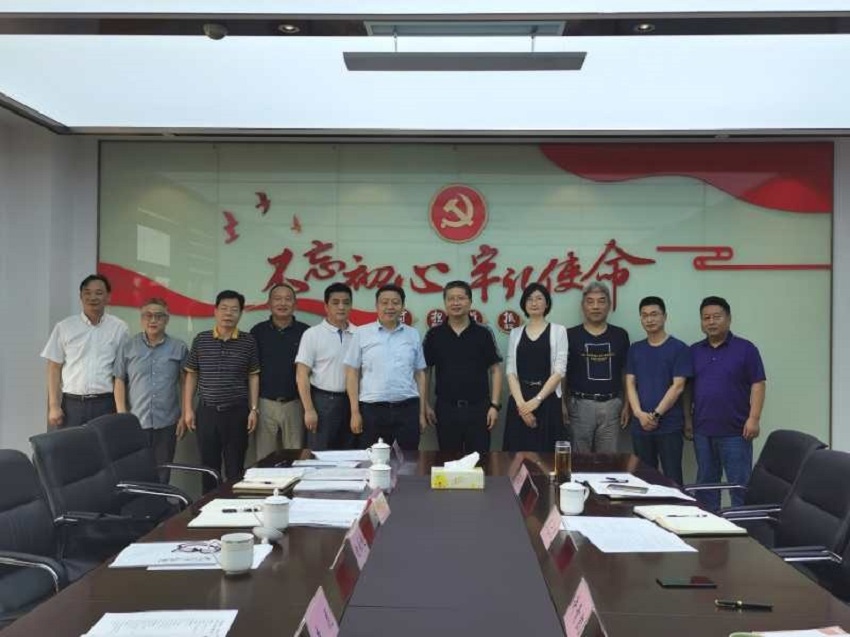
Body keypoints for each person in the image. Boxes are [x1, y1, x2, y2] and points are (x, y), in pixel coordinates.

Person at [688, 296, 766, 510]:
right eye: (706, 318)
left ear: (729, 319)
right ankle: (710, 526)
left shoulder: (746, 349)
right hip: (703, 430)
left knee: (739, 486)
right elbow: (687, 389)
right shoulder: (694, 351)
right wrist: (687, 419)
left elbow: (758, 384)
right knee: (706, 485)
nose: (711, 322)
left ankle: (743, 527)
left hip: (737, 431)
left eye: (717, 317)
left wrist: (754, 418)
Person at [183, 290, 260, 492]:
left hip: (237, 413)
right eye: (224, 308)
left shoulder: (248, 341)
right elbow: (191, 374)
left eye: (234, 309)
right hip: (207, 412)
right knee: (209, 468)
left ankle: (233, 507)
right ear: (215, 311)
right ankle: (208, 507)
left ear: (241, 313)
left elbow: (253, 376)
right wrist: (188, 409)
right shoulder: (201, 339)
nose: (228, 313)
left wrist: (254, 409)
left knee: (235, 468)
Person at [423, 281, 503, 453]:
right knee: (448, 461)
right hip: (446, 409)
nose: (456, 303)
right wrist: (425, 404)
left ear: (470, 302)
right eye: (451, 299)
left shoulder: (483, 333)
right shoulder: (434, 334)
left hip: (479, 409)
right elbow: (426, 371)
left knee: (480, 461)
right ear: (445, 303)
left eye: (461, 298)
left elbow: (495, 370)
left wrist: (495, 405)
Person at [344, 284, 428, 450]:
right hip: (372, 410)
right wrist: (355, 412)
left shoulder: (412, 334)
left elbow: (420, 374)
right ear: (376, 306)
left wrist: (421, 413)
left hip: (407, 408)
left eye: (395, 302)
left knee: (409, 459)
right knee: (373, 460)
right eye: (384, 302)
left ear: (402, 306)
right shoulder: (362, 333)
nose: (390, 307)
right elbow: (352, 372)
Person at [41, 274, 129, 428]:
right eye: (87, 293)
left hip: (106, 404)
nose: (92, 297)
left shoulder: (119, 328)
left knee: (104, 444)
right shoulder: (65, 327)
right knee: (71, 444)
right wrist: (54, 406)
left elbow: (121, 372)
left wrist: (121, 409)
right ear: (81, 297)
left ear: (108, 297)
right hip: (72, 405)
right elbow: (54, 367)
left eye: (98, 293)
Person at [113, 298, 189, 478]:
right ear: (141, 319)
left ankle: (160, 498)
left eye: (159, 316)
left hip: (167, 422)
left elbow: (185, 382)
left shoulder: (179, 347)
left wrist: (185, 415)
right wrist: (123, 416)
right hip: (136, 422)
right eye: (148, 315)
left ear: (167, 319)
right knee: (137, 473)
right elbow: (119, 380)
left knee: (163, 473)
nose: (153, 320)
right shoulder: (128, 346)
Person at [624, 296, 693, 485]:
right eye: (645, 315)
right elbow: (630, 383)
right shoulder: (635, 349)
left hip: (669, 425)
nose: (649, 319)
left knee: (672, 478)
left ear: (665, 316)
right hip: (640, 425)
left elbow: (678, 387)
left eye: (654, 314)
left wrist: (655, 415)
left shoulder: (679, 348)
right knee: (643, 478)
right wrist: (639, 414)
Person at [564, 281, 630, 453]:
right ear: (583, 306)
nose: (595, 306)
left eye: (601, 301)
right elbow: (562, 373)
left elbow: (626, 372)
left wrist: (627, 404)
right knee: (579, 461)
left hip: (612, 406)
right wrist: (562, 404)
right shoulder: (569, 335)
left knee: (608, 461)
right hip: (579, 406)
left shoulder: (620, 335)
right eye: (590, 301)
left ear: (609, 305)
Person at [503, 283, 568, 452]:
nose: (534, 303)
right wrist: (522, 407)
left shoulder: (559, 331)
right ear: (524, 304)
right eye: (530, 299)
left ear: (547, 304)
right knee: (517, 455)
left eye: (539, 298)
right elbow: (510, 371)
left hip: (548, 401)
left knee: (546, 457)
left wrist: (537, 400)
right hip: (520, 400)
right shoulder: (515, 333)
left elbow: (559, 371)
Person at [295, 283, 357, 450]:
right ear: (326, 306)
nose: (341, 307)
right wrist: (309, 409)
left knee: (351, 453)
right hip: (322, 403)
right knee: (320, 454)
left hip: (352, 403)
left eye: (346, 302)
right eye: (335, 302)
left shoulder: (359, 334)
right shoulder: (312, 334)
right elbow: (302, 374)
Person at [250, 283, 309, 459]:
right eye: (277, 299)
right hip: (264, 404)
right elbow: (252, 371)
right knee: (264, 458)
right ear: (269, 304)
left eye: (288, 299)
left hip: (295, 404)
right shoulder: (258, 331)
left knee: (295, 457)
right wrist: (253, 407)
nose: (282, 303)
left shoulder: (306, 332)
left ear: (295, 304)